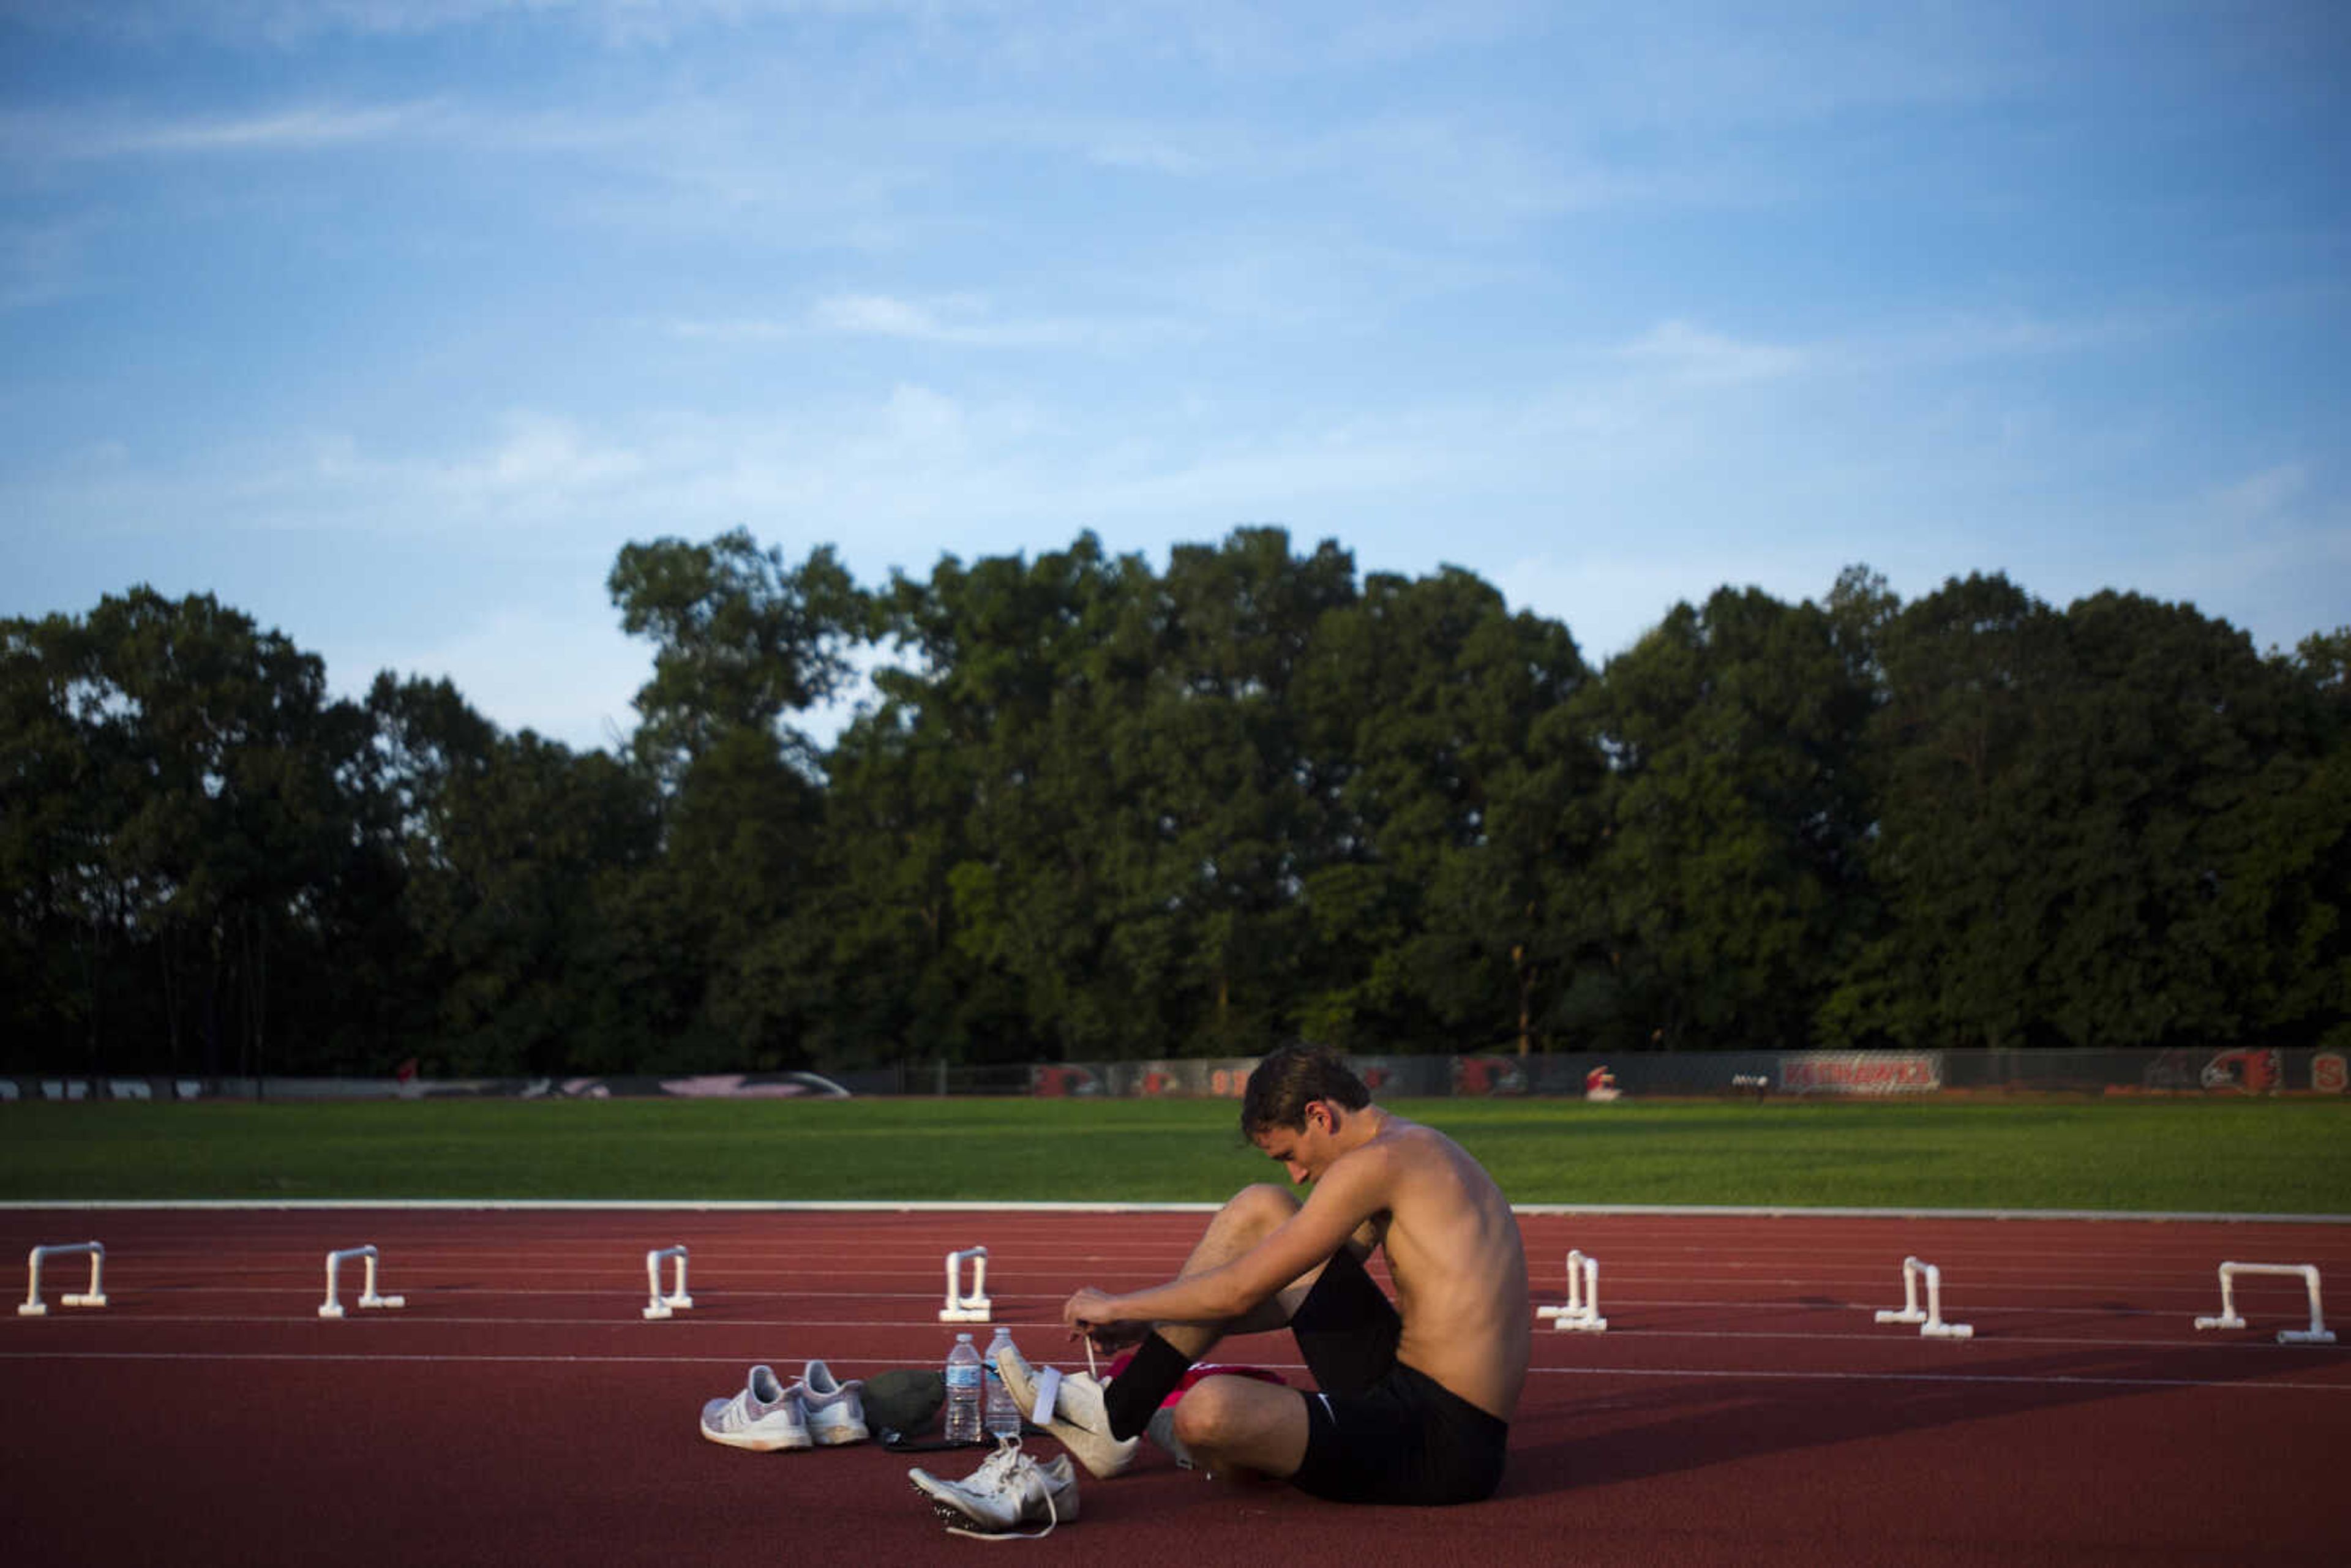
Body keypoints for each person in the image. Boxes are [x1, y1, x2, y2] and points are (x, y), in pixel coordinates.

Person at [1054, 1041, 1530, 1506]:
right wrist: (1150, 1325)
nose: (1297, 1175)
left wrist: (1117, 1305)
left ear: (1320, 1116)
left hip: (1444, 1443)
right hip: (1405, 1387)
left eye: (1289, 1155)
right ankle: (1122, 1414)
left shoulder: (1376, 1164)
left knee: (1207, 1411)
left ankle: (1148, 1421)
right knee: (1262, 1206)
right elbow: (1299, 1289)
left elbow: (1240, 1291)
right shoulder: (1411, 1146)